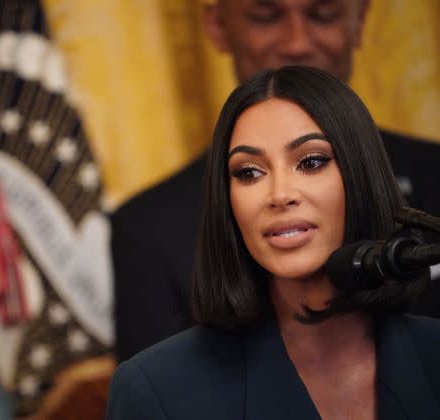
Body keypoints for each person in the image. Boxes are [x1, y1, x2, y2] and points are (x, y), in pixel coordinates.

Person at [111, 0, 440, 362]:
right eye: (265, 17)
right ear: (219, 27)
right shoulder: (147, 226)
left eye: (322, 14)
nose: (296, 43)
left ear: (359, 21)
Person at [106, 65, 440, 420]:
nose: (280, 195)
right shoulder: (154, 390)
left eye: (311, 162)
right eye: (249, 172)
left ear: (361, 178)